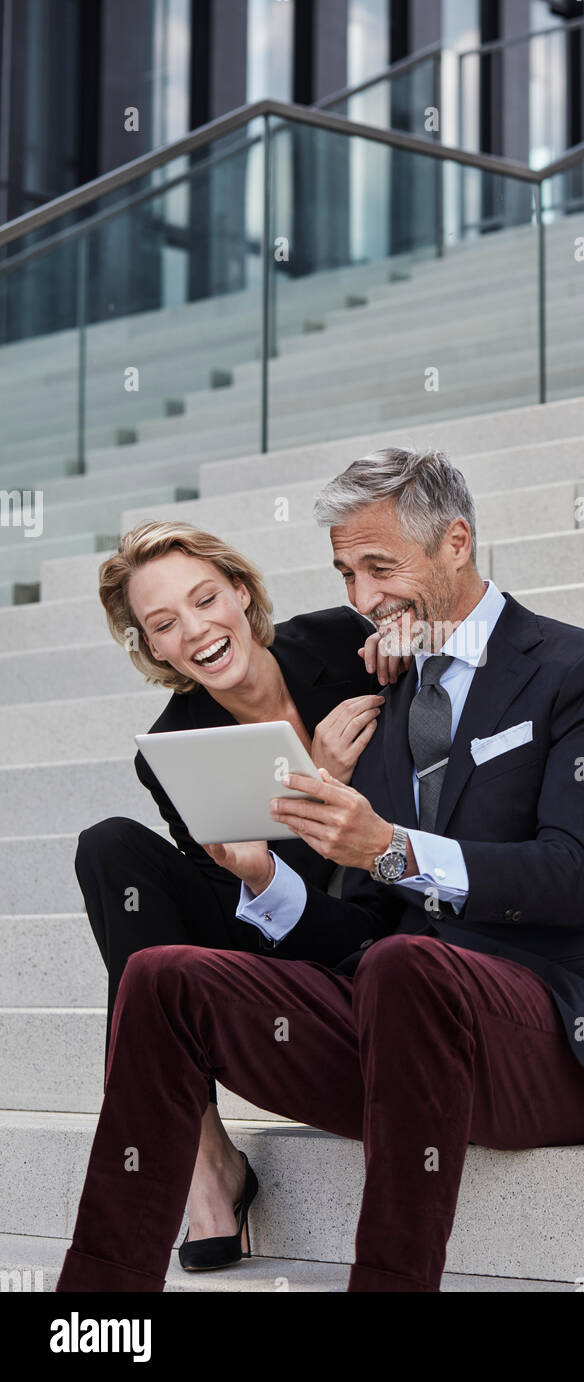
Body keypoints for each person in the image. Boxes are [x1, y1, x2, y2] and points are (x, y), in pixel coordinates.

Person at [57, 449, 584, 1293]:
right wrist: (264, 876)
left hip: (563, 1038)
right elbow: (359, 935)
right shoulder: (377, 707)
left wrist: (387, 845)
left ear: (456, 542)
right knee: (166, 978)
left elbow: (572, 877)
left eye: (379, 568)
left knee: (405, 964)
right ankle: (94, 1317)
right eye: (346, 573)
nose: (361, 601)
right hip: (403, 1032)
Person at [75, 519, 409, 1269]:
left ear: (242, 591)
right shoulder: (173, 749)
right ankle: (203, 1167)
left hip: (375, 921)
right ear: (152, 648)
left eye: (205, 599)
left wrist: (411, 634)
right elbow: (251, 887)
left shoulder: (337, 640)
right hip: (268, 936)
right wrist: (314, 785)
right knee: (109, 848)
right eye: (165, 624)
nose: (195, 630)